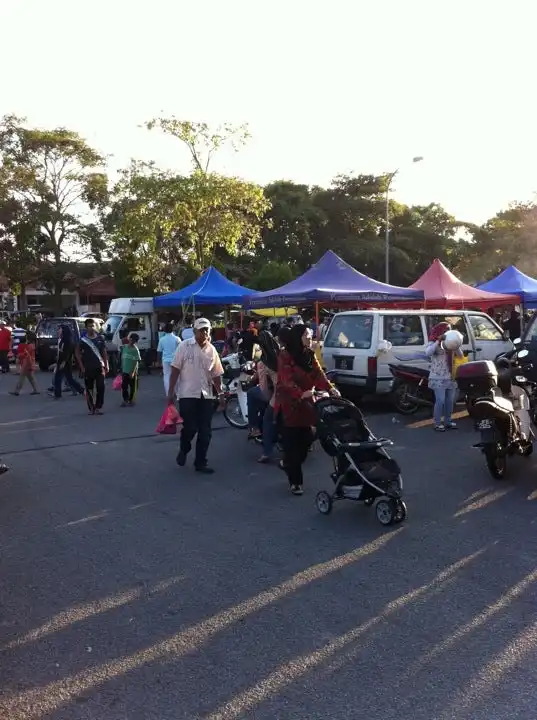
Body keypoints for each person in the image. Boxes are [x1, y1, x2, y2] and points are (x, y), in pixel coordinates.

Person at [276, 323, 338, 495]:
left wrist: (330, 388)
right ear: (297, 338)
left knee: (308, 440)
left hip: (307, 405)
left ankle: (288, 463)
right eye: (307, 336)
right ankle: (296, 482)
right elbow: (286, 380)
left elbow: (319, 375)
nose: (310, 339)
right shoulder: (285, 355)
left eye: (310, 336)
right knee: (292, 446)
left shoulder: (310, 355)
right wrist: (299, 393)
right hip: (289, 406)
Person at [167, 318, 224, 474]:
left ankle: (201, 462)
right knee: (190, 428)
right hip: (187, 394)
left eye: (207, 329)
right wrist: (170, 392)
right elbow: (175, 370)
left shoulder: (212, 350)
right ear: (194, 331)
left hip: (206, 396)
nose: (204, 332)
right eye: (201, 330)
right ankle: (184, 449)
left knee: (205, 432)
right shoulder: (184, 346)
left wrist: (221, 394)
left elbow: (217, 374)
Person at [426, 322, 463, 432]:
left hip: (450, 376)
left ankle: (448, 421)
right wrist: (438, 341)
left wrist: (456, 344)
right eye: (445, 330)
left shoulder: (450, 344)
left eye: (449, 330)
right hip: (438, 377)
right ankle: (437, 423)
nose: (447, 332)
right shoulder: (433, 342)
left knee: (450, 401)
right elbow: (428, 353)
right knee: (440, 400)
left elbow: (460, 355)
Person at [256, 329, 281, 463]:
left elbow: (264, 388)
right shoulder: (283, 353)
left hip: (279, 395)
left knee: (267, 420)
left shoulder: (263, 362)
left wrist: (268, 399)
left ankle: (267, 452)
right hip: (296, 391)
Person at [75, 318, 108, 415]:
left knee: (101, 387)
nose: (91, 328)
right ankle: (92, 408)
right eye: (89, 326)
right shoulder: (83, 340)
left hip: (99, 367)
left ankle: (98, 406)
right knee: (89, 389)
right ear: (86, 328)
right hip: (88, 368)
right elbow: (77, 352)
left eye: (93, 326)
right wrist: (81, 366)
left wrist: (107, 365)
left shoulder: (100, 339)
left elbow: (104, 352)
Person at [52, 323, 84, 399]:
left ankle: (57, 394)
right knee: (69, 379)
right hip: (62, 361)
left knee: (58, 378)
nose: (58, 331)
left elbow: (67, 352)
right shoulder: (62, 339)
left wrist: (63, 362)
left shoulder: (67, 341)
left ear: (63, 330)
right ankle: (82, 390)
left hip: (65, 362)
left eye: (59, 329)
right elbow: (61, 351)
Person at [158, 322, 181, 396]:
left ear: (164, 330)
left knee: (167, 376)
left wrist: (159, 362)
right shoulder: (177, 339)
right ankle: (177, 393)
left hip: (165, 360)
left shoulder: (162, 339)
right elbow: (181, 351)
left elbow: (159, 352)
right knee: (177, 376)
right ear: (173, 329)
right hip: (176, 360)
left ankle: (169, 393)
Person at [121, 333, 141, 407]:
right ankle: (125, 399)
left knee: (133, 386)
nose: (132, 341)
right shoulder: (125, 347)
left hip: (132, 371)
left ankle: (131, 400)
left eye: (134, 341)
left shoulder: (135, 350)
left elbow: (136, 361)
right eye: (131, 339)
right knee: (124, 386)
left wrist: (132, 372)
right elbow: (123, 358)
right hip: (125, 370)